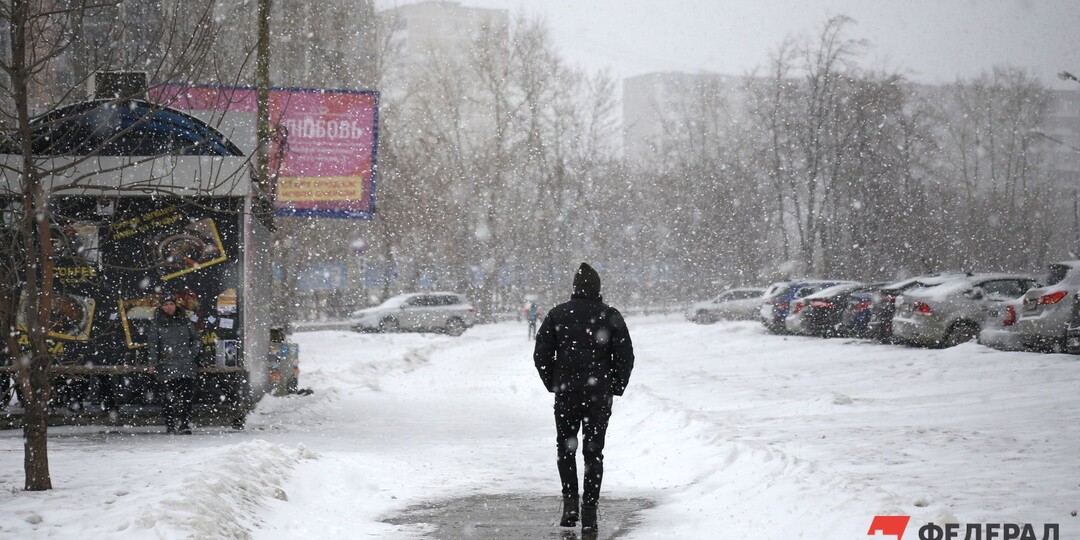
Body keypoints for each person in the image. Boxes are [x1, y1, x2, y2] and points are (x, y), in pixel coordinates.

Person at [533, 263, 635, 535]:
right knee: (593, 452)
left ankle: (570, 506)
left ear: (575, 288)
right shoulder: (610, 315)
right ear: (597, 289)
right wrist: (614, 386)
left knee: (566, 449)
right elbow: (625, 356)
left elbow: (541, 354)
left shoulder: (557, 314)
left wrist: (554, 383)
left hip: (567, 394)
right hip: (598, 396)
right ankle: (589, 512)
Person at [147, 295, 201, 434]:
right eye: (166, 305)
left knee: (186, 398)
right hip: (166, 366)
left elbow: (196, 340)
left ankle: (185, 424)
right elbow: (153, 345)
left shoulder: (185, 321)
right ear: (161, 307)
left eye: (171, 304)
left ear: (176, 305)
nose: (169, 307)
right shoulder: (157, 324)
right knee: (168, 399)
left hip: (185, 365)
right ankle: (170, 425)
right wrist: (153, 363)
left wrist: (191, 353)